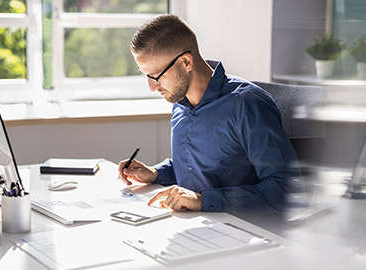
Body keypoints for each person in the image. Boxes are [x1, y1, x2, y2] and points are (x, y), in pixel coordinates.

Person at [118, 14, 303, 218]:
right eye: (146, 76)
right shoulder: (180, 102)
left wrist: (204, 200)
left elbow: (287, 189)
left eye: (156, 76)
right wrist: (155, 173)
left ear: (186, 62)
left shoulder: (248, 105)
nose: (152, 87)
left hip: (246, 232)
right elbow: (201, 169)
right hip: (195, 223)